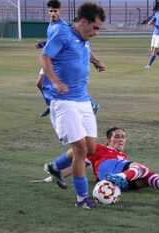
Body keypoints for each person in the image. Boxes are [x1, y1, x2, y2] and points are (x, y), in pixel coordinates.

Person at [41, 1, 105, 209]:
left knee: (91, 148)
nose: (96, 33)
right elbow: (45, 57)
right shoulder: (62, 34)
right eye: (95, 27)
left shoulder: (84, 38)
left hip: (83, 99)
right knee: (80, 149)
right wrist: (57, 82)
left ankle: (56, 166)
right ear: (83, 22)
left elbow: (85, 50)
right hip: (63, 101)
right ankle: (82, 199)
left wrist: (96, 61)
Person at [45, 127, 159, 193]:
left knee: (147, 179)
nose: (121, 139)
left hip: (115, 179)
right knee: (141, 168)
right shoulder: (99, 148)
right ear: (108, 140)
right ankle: (119, 178)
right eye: (117, 136)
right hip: (106, 170)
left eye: (123, 137)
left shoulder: (123, 158)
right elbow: (78, 165)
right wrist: (54, 176)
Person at [36, 1, 105, 117]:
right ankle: (50, 104)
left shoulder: (62, 27)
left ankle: (91, 104)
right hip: (52, 59)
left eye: (55, 11)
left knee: (68, 85)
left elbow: (79, 47)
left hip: (58, 62)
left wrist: (96, 61)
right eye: (51, 11)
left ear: (59, 11)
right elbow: (54, 42)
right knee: (40, 84)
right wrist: (43, 44)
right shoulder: (51, 26)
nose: (53, 13)